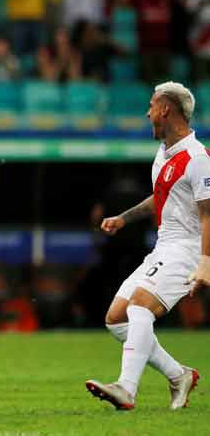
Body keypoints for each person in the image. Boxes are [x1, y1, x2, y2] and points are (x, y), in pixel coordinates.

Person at [85, 82, 207, 410]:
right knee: (117, 319)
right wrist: (125, 217)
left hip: (187, 249)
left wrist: (205, 262)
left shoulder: (198, 158)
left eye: (151, 105)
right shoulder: (165, 153)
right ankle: (178, 374)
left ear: (166, 109)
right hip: (164, 246)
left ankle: (126, 388)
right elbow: (163, 195)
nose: (147, 112)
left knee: (139, 307)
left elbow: (208, 213)